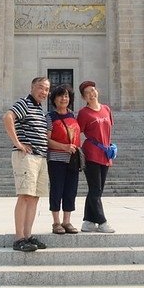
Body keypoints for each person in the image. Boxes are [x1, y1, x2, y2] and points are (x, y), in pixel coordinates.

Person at [3, 77, 51, 252]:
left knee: (34, 197)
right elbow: (8, 117)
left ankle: (28, 235)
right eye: (40, 88)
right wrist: (18, 143)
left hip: (39, 158)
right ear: (32, 87)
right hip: (26, 158)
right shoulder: (24, 103)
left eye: (46, 89)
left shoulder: (39, 109)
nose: (44, 92)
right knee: (24, 196)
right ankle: (19, 238)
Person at [77, 80, 115, 233]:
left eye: (93, 90)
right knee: (95, 189)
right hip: (91, 153)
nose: (91, 94)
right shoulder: (84, 113)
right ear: (84, 97)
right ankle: (102, 221)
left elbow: (108, 130)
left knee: (97, 190)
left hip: (105, 153)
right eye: (87, 93)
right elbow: (77, 131)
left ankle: (88, 221)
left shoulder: (106, 109)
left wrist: (111, 147)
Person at [46, 84, 81, 234]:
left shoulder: (74, 116)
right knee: (57, 189)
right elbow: (46, 140)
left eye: (66, 96)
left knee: (70, 190)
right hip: (56, 159)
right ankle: (56, 222)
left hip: (72, 160)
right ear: (54, 99)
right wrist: (64, 147)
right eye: (60, 95)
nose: (63, 98)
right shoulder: (49, 117)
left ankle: (67, 221)